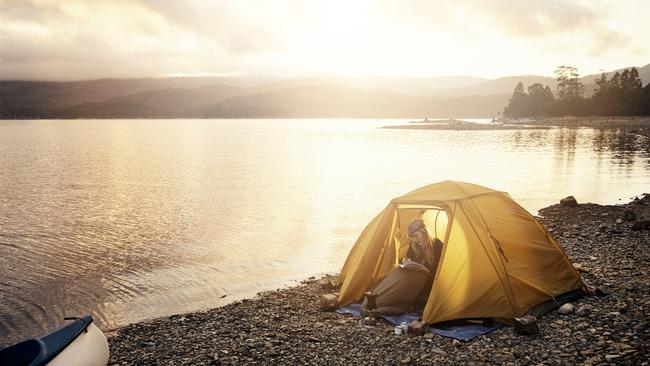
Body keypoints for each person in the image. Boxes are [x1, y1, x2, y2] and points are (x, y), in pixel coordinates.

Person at [361, 218, 443, 320]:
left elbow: (440, 273)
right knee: (399, 270)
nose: (414, 239)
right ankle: (377, 301)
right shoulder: (413, 245)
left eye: (416, 236)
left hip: (427, 283)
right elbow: (409, 261)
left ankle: (378, 304)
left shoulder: (438, 245)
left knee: (415, 276)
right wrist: (406, 263)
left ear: (424, 232)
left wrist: (424, 269)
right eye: (411, 237)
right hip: (411, 280)